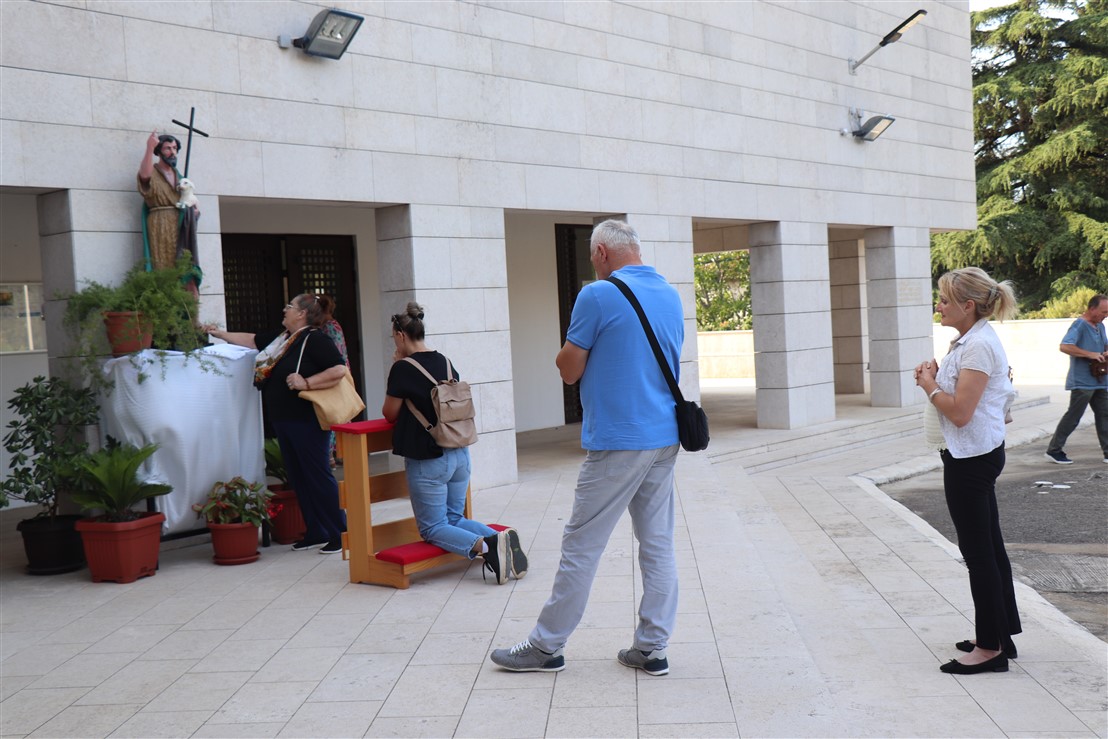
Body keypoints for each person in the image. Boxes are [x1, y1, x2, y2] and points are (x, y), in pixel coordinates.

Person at [490, 219, 682, 675]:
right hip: (664, 436)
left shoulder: (597, 295)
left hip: (619, 441)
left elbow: (569, 369)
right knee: (658, 545)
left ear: (601, 253)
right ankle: (652, 648)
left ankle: (545, 646)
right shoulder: (670, 294)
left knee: (581, 544)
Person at [914, 267, 1021, 675]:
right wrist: (937, 377)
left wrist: (929, 384)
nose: (939, 306)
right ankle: (1000, 635)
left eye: (944, 300)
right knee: (990, 548)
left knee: (979, 555)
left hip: (971, 459)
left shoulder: (977, 346)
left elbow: (960, 413)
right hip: (973, 453)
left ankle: (991, 649)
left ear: (968, 306)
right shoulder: (972, 341)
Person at [382, 302, 527, 585]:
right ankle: (501, 539)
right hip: (460, 453)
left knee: (433, 527)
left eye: (393, 337)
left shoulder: (402, 368)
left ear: (400, 335)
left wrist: (396, 364)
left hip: (428, 459)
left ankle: (488, 546)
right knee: (454, 518)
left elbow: (390, 413)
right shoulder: (445, 362)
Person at [206, 294, 348, 553]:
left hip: (306, 420)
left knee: (317, 476)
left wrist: (306, 382)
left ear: (302, 314)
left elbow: (338, 369)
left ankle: (341, 533)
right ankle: (316, 530)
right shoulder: (282, 340)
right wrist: (221, 334)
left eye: (290, 306)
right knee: (299, 477)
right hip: (285, 420)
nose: (285, 309)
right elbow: (252, 340)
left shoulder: (315, 339)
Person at [1043, 294, 1108, 465]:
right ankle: (1054, 450)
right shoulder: (1079, 325)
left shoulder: (1100, 326)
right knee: (1073, 416)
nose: (1106, 315)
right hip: (1082, 381)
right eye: (1103, 312)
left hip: (1100, 380)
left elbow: (1104, 345)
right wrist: (1090, 354)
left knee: (1105, 414)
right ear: (1092, 309)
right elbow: (1065, 346)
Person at [137, 131, 201, 293]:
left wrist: (193, 211)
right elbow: (144, 177)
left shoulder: (180, 177)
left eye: (174, 148)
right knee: (164, 262)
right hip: (161, 223)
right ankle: (166, 296)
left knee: (184, 264)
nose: (172, 152)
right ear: (159, 151)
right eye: (167, 148)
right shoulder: (153, 171)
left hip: (181, 225)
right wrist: (149, 147)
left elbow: (189, 198)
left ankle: (186, 300)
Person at [318, 295, 351, 466]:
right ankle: (339, 453)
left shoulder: (329, 327)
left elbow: (335, 355)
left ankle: (334, 454)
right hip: (337, 374)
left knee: (333, 415)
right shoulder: (332, 326)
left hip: (335, 376)